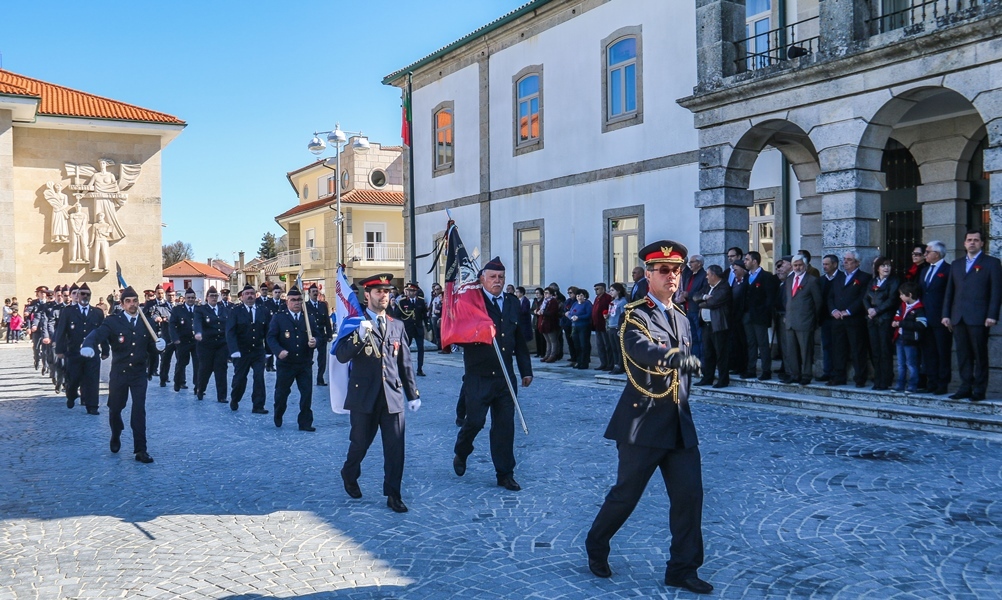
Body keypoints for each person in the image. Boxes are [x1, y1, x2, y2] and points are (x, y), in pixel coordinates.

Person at [585, 240, 710, 594]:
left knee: (689, 497)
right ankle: (596, 543)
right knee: (626, 495)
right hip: (642, 424)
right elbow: (639, 349)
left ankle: (682, 569)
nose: (672, 276)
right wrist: (670, 357)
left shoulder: (682, 317)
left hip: (679, 425)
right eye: (664, 271)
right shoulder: (634, 314)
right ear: (649, 275)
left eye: (677, 270)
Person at [336, 273, 421, 513]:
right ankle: (349, 472)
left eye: (387, 292)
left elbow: (404, 361)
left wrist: (412, 393)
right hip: (363, 395)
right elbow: (341, 356)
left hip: (392, 396)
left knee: (395, 448)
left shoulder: (397, 324)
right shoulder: (354, 322)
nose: (384, 296)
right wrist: (359, 337)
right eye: (378, 292)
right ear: (367, 295)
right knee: (360, 444)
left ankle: (393, 494)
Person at [452, 257, 533, 492]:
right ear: (482, 279)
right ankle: (462, 450)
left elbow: (519, 339)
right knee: (475, 422)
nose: (497, 281)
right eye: (492, 277)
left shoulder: (511, 303)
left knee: (505, 427)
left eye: (501, 277)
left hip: (505, 377)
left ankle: (505, 473)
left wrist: (526, 370)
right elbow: (458, 336)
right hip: (479, 374)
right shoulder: (472, 303)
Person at [80, 286, 166, 464]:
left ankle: (140, 449)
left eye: (135, 301)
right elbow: (97, 334)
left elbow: (151, 347)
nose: (132, 304)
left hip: (138, 374)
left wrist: (159, 346)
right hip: (120, 373)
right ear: (122, 304)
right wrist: (88, 344)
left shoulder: (146, 321)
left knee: (139, 410)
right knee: (115, 409)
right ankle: (115, 433)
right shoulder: (113, 322)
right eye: (128, 301)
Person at [942, 230, 1002, 401]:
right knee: (963, 354)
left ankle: (979, 389)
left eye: (976, 240)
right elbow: (949, 292)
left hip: (979, 317)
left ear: (982, 243)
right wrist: (946, 314)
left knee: (979, 354)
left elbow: (996, 292)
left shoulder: (992, 263)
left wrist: (992, 315)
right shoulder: (956, 264)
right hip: (958, 316)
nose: (972, 243)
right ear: (964, 243)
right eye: (969, 240)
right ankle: (965, 386)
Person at [266, 286, 318, 430]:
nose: (297, 303)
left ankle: (305, 423)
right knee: (282, 393)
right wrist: (278, 351)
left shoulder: (309, 318)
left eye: (299, 300)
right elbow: (271, 337)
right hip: (286, 363)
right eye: (293, 300)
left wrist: (315, 341)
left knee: (307, 394)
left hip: (304, 362)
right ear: (287, 301)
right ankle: (278, 413)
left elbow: (318, 334)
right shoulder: (279, 318)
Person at [54, 283, 107, 414]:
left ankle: (92, 406)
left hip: (92, 352)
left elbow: (103, 332)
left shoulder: (97, 313)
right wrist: (59, 350)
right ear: (77, 295)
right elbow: (61, 331)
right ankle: (71, 395)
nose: (85, 296)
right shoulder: (68, 311)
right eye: (82, 294)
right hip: (74, 352)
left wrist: (105, 350)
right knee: (74, 379)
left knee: (92, 380)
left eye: (87, 294)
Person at [828, 251, 872, 387]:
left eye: (849, 260)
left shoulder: (865, 277)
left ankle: (860, 378)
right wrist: (834, 310)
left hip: (854, 319)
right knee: (838, 349)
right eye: (844, 259)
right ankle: (838, 376)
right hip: (838, 319)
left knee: (857, 350)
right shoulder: (839, 277)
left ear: (857, 262)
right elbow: (830, 296)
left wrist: (849, 311)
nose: (845, 262)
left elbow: (862, 298)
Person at [226, 284, 270, 414]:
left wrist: (268, 351)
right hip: (241, 351)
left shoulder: (263, 311)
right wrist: (234, 350)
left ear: (256, 295)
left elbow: (268, 332)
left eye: (252, 293)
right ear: (242, 296)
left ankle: (258, 405)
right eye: (247, 294)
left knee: (259, 377)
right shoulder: (235, 311)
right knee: (240, 379)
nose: (250, 296)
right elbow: (230, 332)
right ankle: (235, 399)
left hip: (257, 351)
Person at [782, 255, 822, 385]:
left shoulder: (812, 280)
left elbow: (818, 302)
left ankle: (806, 374)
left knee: (805, 351)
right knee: (791, 350)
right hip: (790, 321)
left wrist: (814, 319)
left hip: (805, 321)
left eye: (800, 265)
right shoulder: (789, 280)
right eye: (795, 265)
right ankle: (794, 374)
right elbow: (787, 299)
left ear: (805, 266)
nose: (797, 267)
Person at [919, 241, 952, 395]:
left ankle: (942, 383)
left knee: (942, 352)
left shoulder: (948, 270)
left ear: (937, 254)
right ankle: (931, 382)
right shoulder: (924, 271)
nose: (925, 254)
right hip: (925, 318)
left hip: (940, 318)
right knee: (929, 352)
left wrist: (947, 315)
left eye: (928, 251)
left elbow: (950, 294)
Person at [692, 264, 731, 388]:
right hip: (706, 325)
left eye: (708, 274)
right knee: (708, 353)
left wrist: (701, 304)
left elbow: (713, 302)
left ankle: (723, 380)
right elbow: (695, 296)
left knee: (720, 353)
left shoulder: (724, 287)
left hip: (718, 325)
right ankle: (708, 377)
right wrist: (704, 297)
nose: (706, 277)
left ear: (714, 275)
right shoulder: (708, 287)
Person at [741, 251, 779, 380]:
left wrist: (763, 311)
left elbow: (770, 298)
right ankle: (751, 369)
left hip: (760, 316)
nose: (744, 262)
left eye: (747, 259)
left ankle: (766, 370)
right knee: (751, 343)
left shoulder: (767, 277)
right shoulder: (746, 277)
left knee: (762, 343)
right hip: (747, 315)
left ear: (755, 261)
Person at [864, 257, 899, 391]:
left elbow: (892, 299)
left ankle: (886, 379)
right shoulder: (873, 281)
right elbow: (866, 298)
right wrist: (869, 310)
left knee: (885, 350)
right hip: (872, 320)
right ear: (877, 268)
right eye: (883, 266)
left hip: (885, 319)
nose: (886, 268)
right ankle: (877, 378)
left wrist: (877, 310)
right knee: (875, 350)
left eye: (888, 266)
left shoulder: (894, 281)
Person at [193, 286, 229, 402]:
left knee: (221, 369)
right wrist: (198, 332)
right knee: (205, 368)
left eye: (215, 296)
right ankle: (200, 389)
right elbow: (197, 322)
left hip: (221, 344)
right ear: (207, 297)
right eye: (211, 296)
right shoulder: (201, 310)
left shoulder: (223, 309)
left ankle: (222, 396)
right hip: (206, 344)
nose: (214, 298)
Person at [892, 281, 927, 393]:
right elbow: (897, 316)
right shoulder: (902, 306)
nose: (900, 296)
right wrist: (895, 322)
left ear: (910, 295)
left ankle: (912, 385)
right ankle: (900, 384)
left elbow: (922, 325)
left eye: (902, 294)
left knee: (911, 364)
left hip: (911, 340)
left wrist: (901, 323)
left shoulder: (918, 308)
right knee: (900, 364)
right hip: (900, 338)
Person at [168, 288, 200, 394]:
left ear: (195, 298)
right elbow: (172, 325)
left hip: (197, 342)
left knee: (198, 365)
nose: (190, 300)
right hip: (182, 341)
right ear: (184, 299)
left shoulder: (199, 309)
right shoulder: (178, 309)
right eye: (188, 298)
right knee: (181, 363)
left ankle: (198, 386)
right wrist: (175, 339)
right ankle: (178, 382)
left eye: (192, 298)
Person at [394, 282, 429, 376]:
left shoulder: (420, 301)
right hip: (407, 329)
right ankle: (402, 368)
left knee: (421, 349)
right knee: (404, 349)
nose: (409, 292)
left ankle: (419, 369)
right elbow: (397, 316)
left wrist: (427, 325)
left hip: (418, 328)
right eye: (408, 290)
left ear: (415, 292)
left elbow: (424, 315)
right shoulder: (402, 301)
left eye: (412, 291)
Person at [677, 255, 706, 361]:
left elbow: (703, 292)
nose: (690, 264)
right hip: (688, 309)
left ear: (699, 263)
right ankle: (695, 360)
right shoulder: (691, 275)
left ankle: (702, 362)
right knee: (692, 337)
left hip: (697, 310)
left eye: (692, 262)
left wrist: (688, 294)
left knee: (700, 338)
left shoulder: (703, 275)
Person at [304, 284, 333, 385]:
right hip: (310, 335)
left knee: (322, 359)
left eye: (316, 291)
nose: (315, 293)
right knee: (309, 358)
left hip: (321, 334)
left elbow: (327, 320)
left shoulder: (323, 305)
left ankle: (320, 378)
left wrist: (329, 334)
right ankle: (307, 378)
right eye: (313, 292)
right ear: (309, 293)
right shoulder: (305, 306)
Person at [818, 254, 840, 381]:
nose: (824, 266)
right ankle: (827, 371)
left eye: (827, 264)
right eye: (824, 264)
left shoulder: (842, 278)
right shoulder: (821, 280)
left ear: (835, 264)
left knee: (838, 346)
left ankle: (837, 372)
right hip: (825, 318)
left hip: (838, 317)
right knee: (826, 345)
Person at [153, 288, 176, 386]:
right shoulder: (160, 307)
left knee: (181, 361)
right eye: (169, 295)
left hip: (178, 338)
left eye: (172, 295)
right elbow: (155, 315)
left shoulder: (179, 307)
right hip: (166, 337)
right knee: (165, 360)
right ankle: (163, 378)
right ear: (166, 296)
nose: (171, 297)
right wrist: (157, 318)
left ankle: (181, 381)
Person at [568, 289, 593, 370]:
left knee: (584, 345)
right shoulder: (575, 304)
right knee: (577, 345)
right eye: (578, 296)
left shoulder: (587, 304)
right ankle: (578, 361)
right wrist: (571, 317)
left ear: (584, 296)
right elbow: (570, 313)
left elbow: (588, 314)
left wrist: (579, 317)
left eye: (581, 295)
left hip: (584, 326)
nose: (579, 297)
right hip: (575, 326)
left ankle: (584, 362)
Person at [606, 283, 628, 374]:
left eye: (612, 290)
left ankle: (621, 366)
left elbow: (624, 315)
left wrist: (621, 327)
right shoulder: (612, 302)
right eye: (610, 290)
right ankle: (615, 365)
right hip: (611, 326)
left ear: (618, 291)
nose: (610, 292)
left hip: (617, 327)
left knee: (619, 348)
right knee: (613, 347)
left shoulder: (622, 302)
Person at [592, 283, 613, 371]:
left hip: (604, 325)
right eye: (595, 289)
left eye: (598, 289)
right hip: (597, 325)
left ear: (603, 289)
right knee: (600, 345)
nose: (596, 291)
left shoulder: (607, 298)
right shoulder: (597, 298)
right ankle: (603, 363)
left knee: (607, 345)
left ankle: (610, 364)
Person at [538, 287, 562, 363]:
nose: (545, 294)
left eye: (547, 293)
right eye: (544, 293)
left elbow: (552, 312)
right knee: (547, 340)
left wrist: (543, 312)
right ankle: (547, 354)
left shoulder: (553, 301)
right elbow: (539, 308)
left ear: (551, 294)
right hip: (543, 323)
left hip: (551, 323)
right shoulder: (544, 301)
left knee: (553, 340)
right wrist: (537, 311)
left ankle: (553, 355)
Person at [561, 286, 578, 366]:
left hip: (573, 324)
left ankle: (577, 358)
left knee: (575, 342)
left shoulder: (576, 301)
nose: (569, 294)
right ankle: (573, 357)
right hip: (566, 323)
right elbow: (563, 310)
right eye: (568, 293)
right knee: (569, 342)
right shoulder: (567, 301)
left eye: (571, 293)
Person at [530, 287, 546, 358]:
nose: (536, 295)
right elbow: (531, 310)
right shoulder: (535, 301)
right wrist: (534, 312)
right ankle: (538, 352)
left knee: (542, 338)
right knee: (537, 338)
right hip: (536, 320)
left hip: (542, 320)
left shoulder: (544, 301)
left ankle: (543, 352)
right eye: (536, 293)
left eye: (538, 293)